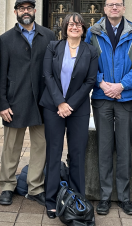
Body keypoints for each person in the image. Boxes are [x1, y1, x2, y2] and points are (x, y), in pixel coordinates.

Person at [85, 0, 132, 216]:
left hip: (126, 98)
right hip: (102, 98)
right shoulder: (92, 33)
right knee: (103, 148)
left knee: (124, 148)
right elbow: (87, 62)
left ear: (123, 7)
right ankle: (104, 197)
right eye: (110, 4)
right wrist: (102, 84)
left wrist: (121, 86)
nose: (114, 8)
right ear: (104, 8)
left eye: (118, 4)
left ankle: (124, 197)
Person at [0, 0, 56, 206]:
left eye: (29, 8)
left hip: (42, 101)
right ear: (15, 12)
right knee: (11, 147)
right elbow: (0, 74)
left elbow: (54, 70)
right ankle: (7, 186)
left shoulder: (48, 35)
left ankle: (35, 186)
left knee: (41, 145)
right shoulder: (5, 39)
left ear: (35, 10)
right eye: (21, 9)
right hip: (15, 100)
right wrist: (2, 103)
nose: (25, 11)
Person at [40, 12, 98, 219]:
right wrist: (60, 102)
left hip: (78, 110)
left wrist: (70, 105)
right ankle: (51, 200)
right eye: (70, 24)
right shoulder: (53, 47)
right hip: (53, 107)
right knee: (53, 154)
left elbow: (90, 81)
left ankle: (77, 198)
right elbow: (47, 75)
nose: (74, 27)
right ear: (64, 27)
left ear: (84, 28)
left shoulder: (90, 51)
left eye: (79, 25)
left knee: (77, 154)